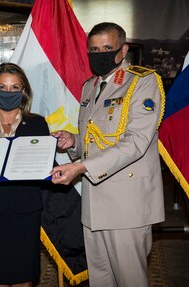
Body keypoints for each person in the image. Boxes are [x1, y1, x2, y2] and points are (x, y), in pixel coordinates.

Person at [50, 22, 165, 287]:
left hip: (127, 204)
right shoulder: (90, 86)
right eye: (93, 49)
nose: (99, 54)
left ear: (123, 50)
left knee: (130, 280)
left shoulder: (143, 82)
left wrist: (81, 168)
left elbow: (136, 142)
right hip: (94, 203)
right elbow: (96, 138)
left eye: (107, 48)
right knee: (100, 279)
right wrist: (73, 142)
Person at [0, 63, 50, 287]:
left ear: (24, 92)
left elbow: (44, 167)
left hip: (25, 211)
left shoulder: (38, 124)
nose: (8, 92)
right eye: (2, 87)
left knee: (24, 277)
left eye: (15, 88)